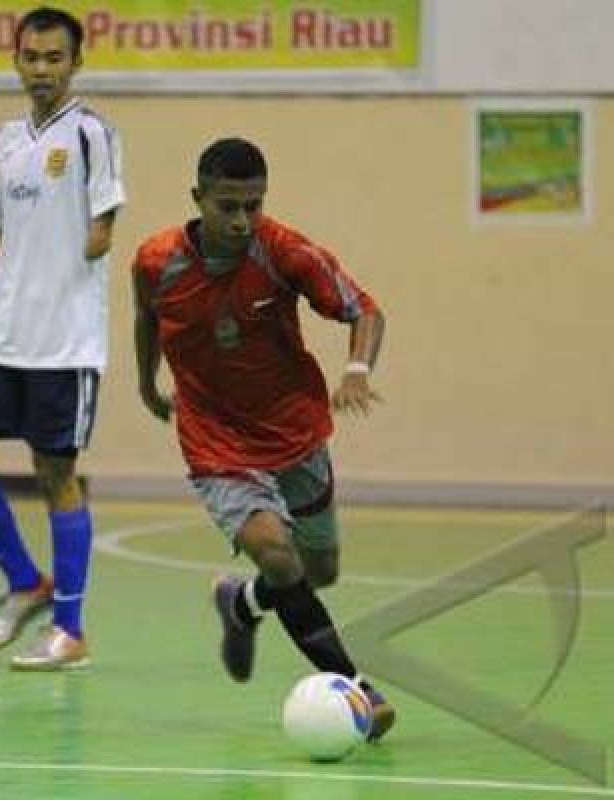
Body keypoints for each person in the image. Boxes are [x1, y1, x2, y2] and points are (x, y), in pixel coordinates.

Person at [131, 137, 395, 740]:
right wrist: (148, 386)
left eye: (253, 204)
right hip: (216, 440)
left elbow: (367, 312)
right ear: (198, 198)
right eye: (228, 206)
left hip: (295, 431)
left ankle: (242, 603)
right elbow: (146, 317)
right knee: (279, 554)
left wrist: (357, 371)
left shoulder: (286, 252)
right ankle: (357, 690)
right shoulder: (156, 261)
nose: (242, 219)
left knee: (314, 571)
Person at [0, 7, 125, 671]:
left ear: (76, 63)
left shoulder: (93, 133)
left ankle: (70, 629)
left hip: (64, 343)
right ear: (16, 61)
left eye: (55, 58)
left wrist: (94, 236)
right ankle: (23, 581)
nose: (42, 69)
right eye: (32, 57)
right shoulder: (5, 140)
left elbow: (105, 219)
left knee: (56, 477)